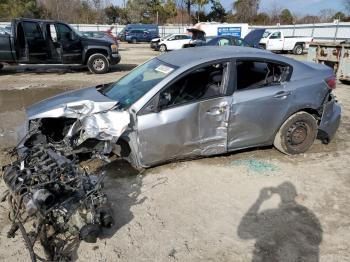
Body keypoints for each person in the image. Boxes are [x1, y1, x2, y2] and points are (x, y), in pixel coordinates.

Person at [237, 182, 322, 262]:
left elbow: (242, 232)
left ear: (280, 197)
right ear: (295, 197)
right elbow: (316, 242)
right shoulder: (309, 218)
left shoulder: (269, 217)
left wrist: (260, 200)